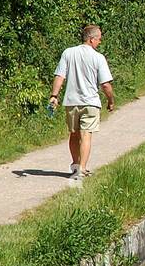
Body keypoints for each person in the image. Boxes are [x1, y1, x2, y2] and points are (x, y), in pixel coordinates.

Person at [49, 25, 115, 180]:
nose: (99, 42)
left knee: (74, 134)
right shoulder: (98, 57)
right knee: (86, 135)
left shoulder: (68, 53)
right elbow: (105, 84)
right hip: (90, 102)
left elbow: (60, 76)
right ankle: (82, 169)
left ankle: (75, 164)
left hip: (71, 102)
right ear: (91, 39)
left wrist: (54, 95)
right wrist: (111, 100)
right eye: (99, 39)